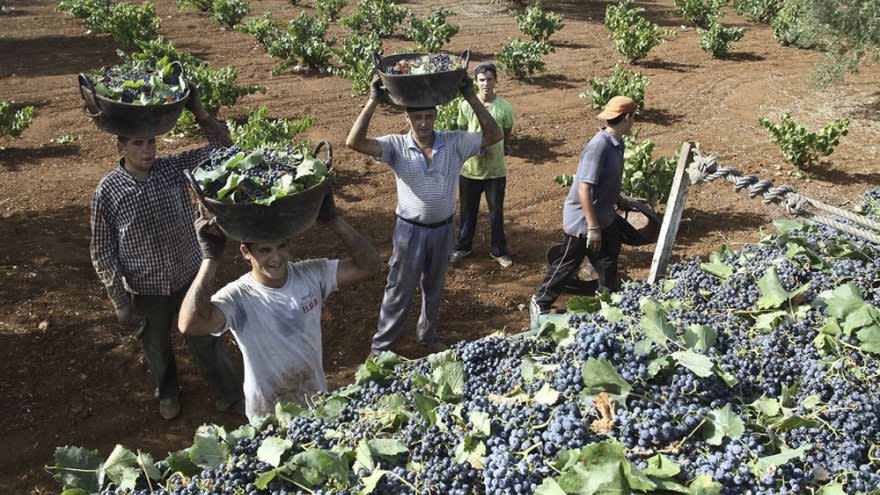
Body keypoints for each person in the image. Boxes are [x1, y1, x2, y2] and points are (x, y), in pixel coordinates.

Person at [89, 88, 243, 420]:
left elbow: (224, 149)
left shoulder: (172, 169)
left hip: (189, 274)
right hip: (145, 287)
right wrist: (118, 298)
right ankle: (168, 393)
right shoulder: (108, 190)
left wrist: (200, 112)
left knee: (205, 338)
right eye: (138, 144)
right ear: (121, 147)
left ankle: (228, 394)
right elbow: (102, 248)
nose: (147, 150)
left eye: (151, 143)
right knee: (156, 348)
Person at [177, 194, 382, 421]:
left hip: (316, 403)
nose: (276, 258)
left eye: (281, 247)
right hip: (268, 414)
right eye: (265, 250)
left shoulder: (311, 274)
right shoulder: (238, 296)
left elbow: (370, 266)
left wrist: (334, 220)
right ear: (246, 252)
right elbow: (190, 325)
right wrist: (210, 259)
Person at [346, 74, 503, 355]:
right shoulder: (394, 145)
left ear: (435, 116)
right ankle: (381, 348)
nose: (423, 123)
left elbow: (494, 135)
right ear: (407, 117)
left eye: (429, 116)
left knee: (434, 288)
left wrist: (470, 96)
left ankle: (428, 336)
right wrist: (373, 101)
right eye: (417, 117)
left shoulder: (454, 142)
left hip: (444, 230)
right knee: (399, 289)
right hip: (410, 231)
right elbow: (354, 142)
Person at [532, 96, 646, 313]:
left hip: (604, 216)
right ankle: (540, 301)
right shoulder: (599, 146)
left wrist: (621, 200)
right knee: (568, 264)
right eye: (634, 118)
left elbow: (606, 181)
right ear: (629, 117)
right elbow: (584, 188)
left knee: (608, 263)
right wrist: (592, 229)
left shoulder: (617, 142)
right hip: (584, 220)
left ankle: (607, 303)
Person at [449, 62, 516, 268]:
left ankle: (499, 251)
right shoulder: (465, 105)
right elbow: (461, 130)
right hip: (470, 170)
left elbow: (506, 134)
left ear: (496, 80)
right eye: (481, 80)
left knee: (496, 213)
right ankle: (463, 246)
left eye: (489, 79)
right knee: (468, 212)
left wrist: (502, 148)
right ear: (476, 83)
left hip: (495, 170)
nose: (486, 84)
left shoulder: (504, 107)